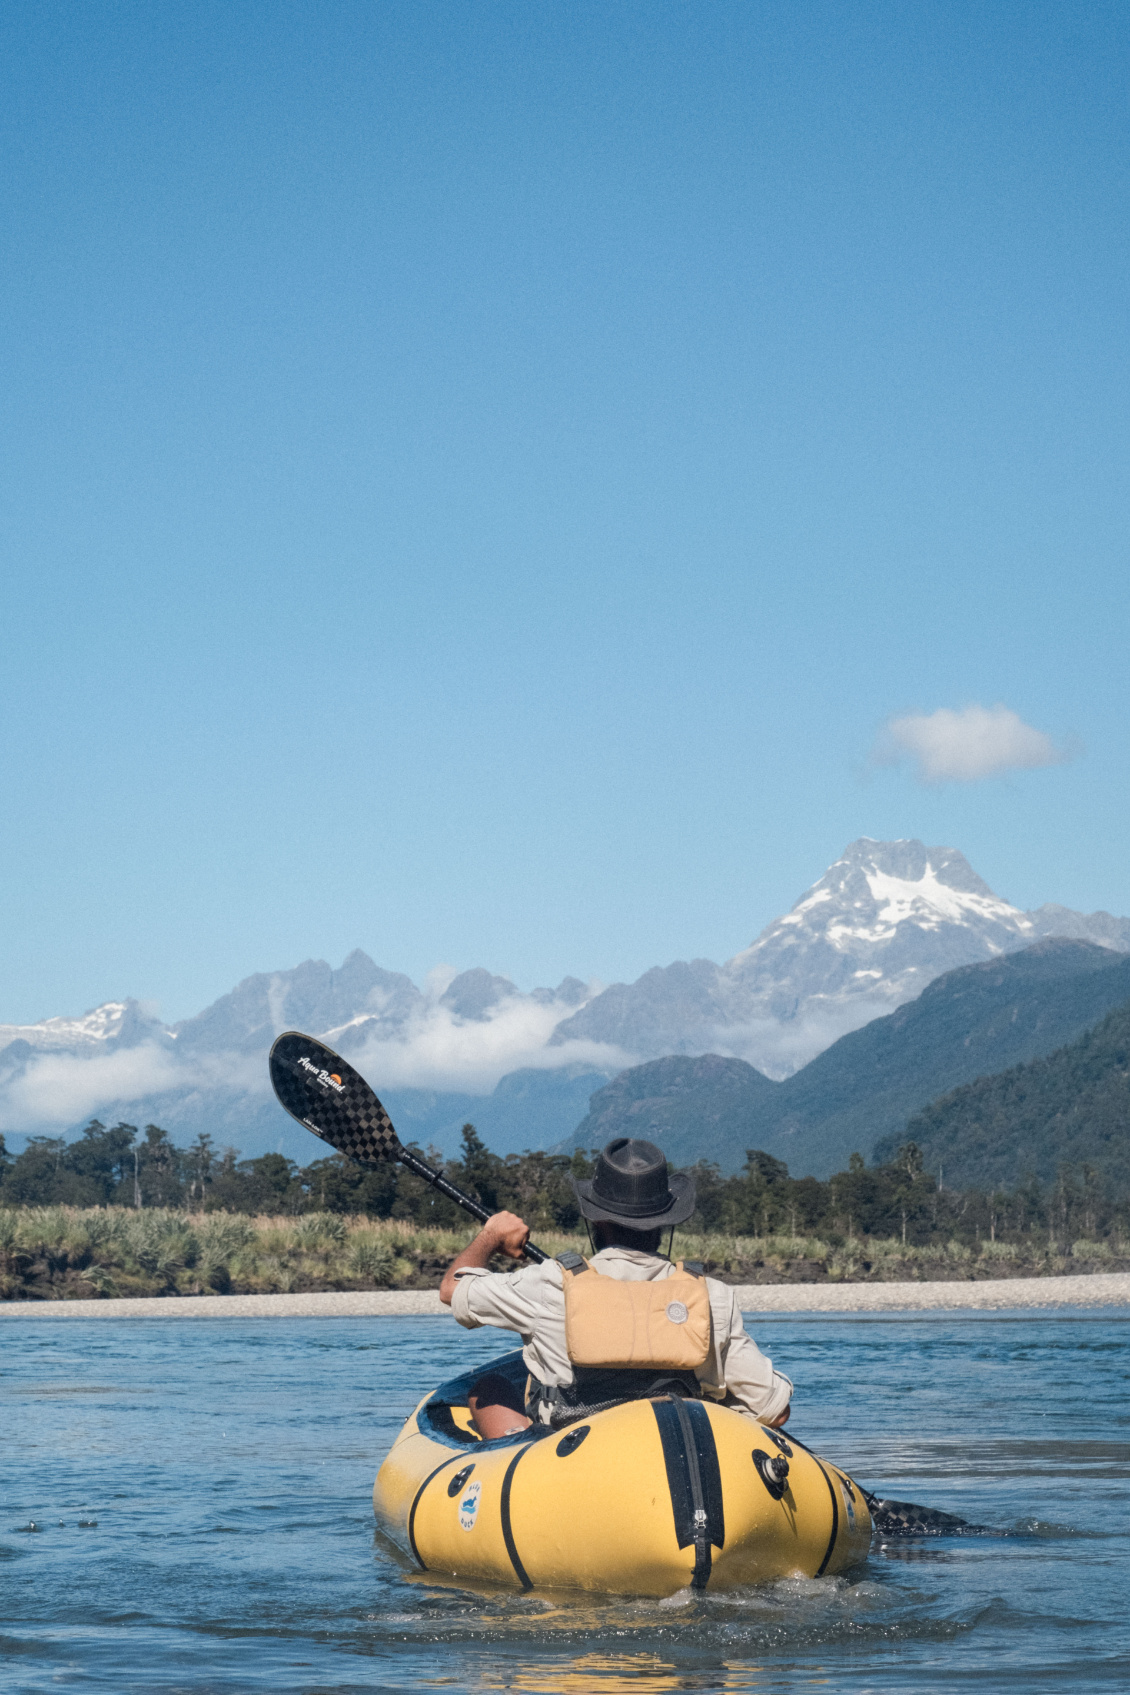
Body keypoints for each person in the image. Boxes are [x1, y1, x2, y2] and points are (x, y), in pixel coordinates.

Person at [440, 1137, 793, 1440]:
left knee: (490, 1387)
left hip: (568, 1459)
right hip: (676, 1450)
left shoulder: (549, 1283)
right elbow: (773, 1412)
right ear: (665, 1223)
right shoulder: (712, 1296)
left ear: (595, 1218)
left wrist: (491, 1235)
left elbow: (452, 1289)